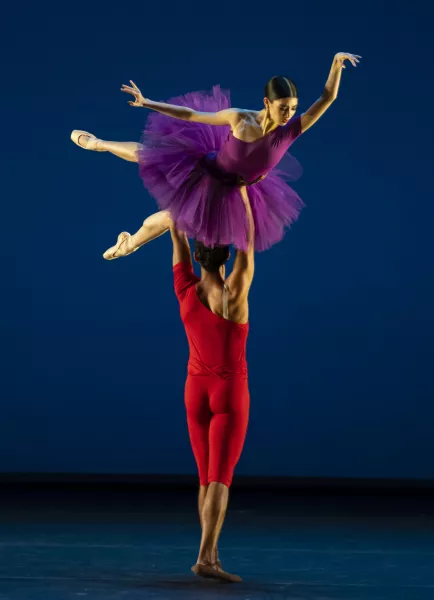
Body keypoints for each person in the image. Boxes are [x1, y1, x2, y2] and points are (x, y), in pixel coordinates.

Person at [71, 53, 360, 257]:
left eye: (293, 108)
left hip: (232, 192)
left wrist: (336, 63)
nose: (288, 114)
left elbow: (326, 98)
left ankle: (130, 244)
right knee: (150, 155)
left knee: (174, 219)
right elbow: (192, 114)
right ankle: (99, 143)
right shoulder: (241, 119)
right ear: (267, 103)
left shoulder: (290, 131)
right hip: (209, 172)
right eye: (283, 107)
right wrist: (148, 102)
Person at [138, 191, 254, 582]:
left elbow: (175, 233)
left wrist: (185, 210)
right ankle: (206, 558)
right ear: (224, 256)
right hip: (228, 393)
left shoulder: (186, 291)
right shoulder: (233, 296)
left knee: (205, 477)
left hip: (195, 392)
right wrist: (243, 195)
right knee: (221, 475)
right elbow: (250, 246)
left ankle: (211, 554)